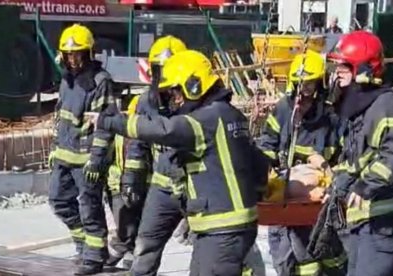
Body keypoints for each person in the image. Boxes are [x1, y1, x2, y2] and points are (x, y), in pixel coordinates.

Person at [91, 49, 269, 276]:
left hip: (221, 229)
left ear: (194, 86)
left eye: (176, 94)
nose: (174, 102)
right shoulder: (231, 115)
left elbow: (164, 130)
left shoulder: (204, 120)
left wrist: (108, 121)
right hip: (230, 227)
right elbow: (259, 163)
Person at [325, 30, 393, 276]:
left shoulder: (387, 104)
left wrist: (365, 186)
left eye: (344, 68)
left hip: (385, 217)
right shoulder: (359, 109)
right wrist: (337, 185)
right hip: (365, 219)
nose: (337, 75)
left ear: (363, 70)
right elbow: (356, 160)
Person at [258, 50, 346, 276]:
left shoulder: (331, 116)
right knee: (283, 256)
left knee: (320, 255)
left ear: (320, 83)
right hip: (285, 192)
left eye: (309, 84)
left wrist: (329, 171)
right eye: (299, 83)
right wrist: (263, 166)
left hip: (318, 198)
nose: (303, 91)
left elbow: (345, 154)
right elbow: (268, 141)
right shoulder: (284, 110)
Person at [47, 23, 118, 275]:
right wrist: (55, 149)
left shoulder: (101, 82)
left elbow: (105, 125)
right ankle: (83, 244)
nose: (73, 59)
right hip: (64, 156)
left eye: (78, 53)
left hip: (87, 160)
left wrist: (97, 160)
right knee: (58, 201)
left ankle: (94, 257)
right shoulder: (67, 81)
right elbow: (61, 119)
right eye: (69, 54)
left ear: (88, 53)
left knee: (90, 208)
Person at [123, 35, 192, 276]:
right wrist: (131, 178)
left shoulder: (198, 102)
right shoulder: (146, 102)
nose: (164, 77)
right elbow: (138, 144)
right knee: (145, 247)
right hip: (161, 188)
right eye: (159, 70)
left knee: (214, 250)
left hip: (195, 188)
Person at [104, 94, 148, 269]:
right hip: (117, 185)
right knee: (124, 223)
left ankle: (125, 255)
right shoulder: (120, 130)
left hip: (140, 185)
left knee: (133, 224)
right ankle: (123, 252)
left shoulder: (145, 131)